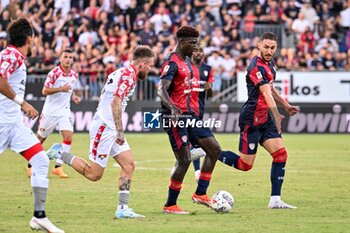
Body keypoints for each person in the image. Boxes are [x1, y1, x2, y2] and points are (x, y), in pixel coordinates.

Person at [46, 45, 156, 219]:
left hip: (109, 125)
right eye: (150, 65)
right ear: (142, 64)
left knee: (129, 165)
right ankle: (59, 153)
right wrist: (119, 130)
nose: (150, 69)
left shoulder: (122, 72)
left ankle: (122, 209)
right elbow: (115, 102)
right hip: (105, 127)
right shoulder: (128, 76)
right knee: (94, 174)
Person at [158, 26, 236, 214]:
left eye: (197, 42)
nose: (195, 46)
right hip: (175, 117)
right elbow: (161, 89)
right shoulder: (172, 63)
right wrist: (173, 108)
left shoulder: (187, 62)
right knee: (184, 160)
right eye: (192, 43)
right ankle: (170, 205)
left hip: (190, 116)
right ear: (182, 42)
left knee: (214, 149)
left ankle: (200, 193)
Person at [218, 32, 299, 209]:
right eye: (266, 47)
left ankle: (275, 200)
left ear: (276, 48)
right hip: (252, 120)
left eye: (272, 48)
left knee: (281, 155)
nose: (269, 51)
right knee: (245, 165)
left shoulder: (271, 65)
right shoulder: (256, 67)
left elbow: (271, 88)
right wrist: (277, 114)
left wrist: (285, 105)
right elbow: (266, 94)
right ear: (259, 45)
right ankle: (211, 151)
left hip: (266, 119)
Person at [0, 18, 64, 232]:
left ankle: (39, 216)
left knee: (40, 160)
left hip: (14, 125)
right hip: (1, 123)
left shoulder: (15, 56)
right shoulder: (11, 54)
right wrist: (23, 103)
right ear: (29, 38)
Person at [26, 48, 81, 178]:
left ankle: (58, 167)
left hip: (64, 111)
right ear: (60, 59)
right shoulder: (54, 73)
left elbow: (70, 88)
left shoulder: (74, 74)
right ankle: (30, 165)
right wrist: (61, 89)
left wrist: (73, 96)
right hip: (50, 111)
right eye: (65, 57)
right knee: (40, 139)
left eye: (70, 57)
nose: (68, 59)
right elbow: (44, 91)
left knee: (68, 137)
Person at [169, 45, 214, 183]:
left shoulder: (208, 69)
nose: (199, 53)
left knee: (195, 144)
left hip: (199, 110)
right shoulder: (185, 67)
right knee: (196, 144)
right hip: (184, 110)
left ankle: (181, 163)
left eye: (201, 50)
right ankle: (196, 171)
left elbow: (210, 94)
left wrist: (209, 88)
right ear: (191, 52)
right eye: (196, 50)